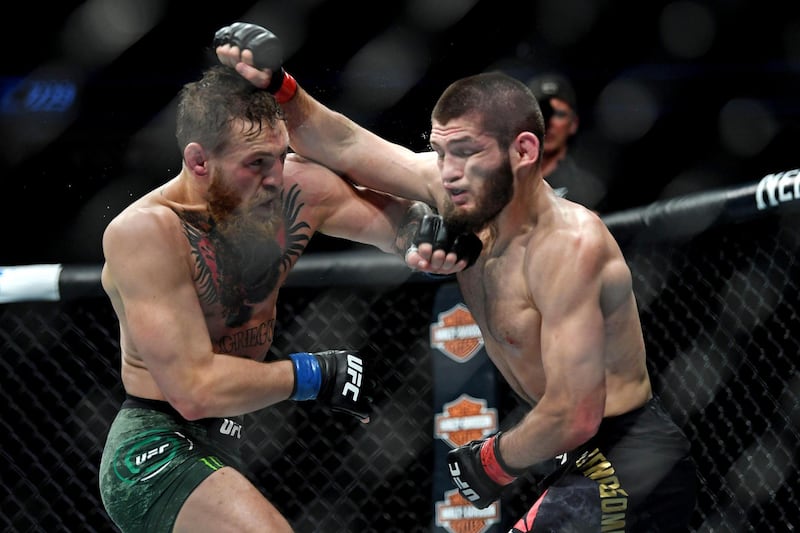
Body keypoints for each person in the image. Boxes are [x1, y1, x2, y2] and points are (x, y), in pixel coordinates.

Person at [216, 23, 698, 532]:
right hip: (572, 460)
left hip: (629, 457)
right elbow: (342, 142)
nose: (446, 171)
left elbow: (575, 413)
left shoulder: (569, 246)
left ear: (524, 151)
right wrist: (280, 88)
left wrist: (490, 461)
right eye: (440, 151)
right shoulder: (456, 195)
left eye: (466, 151)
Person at [97, 61, 477, 533]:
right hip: (156, 447)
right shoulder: (147, 233)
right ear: (199, 162)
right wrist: (316, 372)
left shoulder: (296, 187)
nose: (274, 177)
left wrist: (432, 237)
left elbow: (403, 224)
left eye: (278, 156)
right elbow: (195, 391)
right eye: (255, 163)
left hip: (229, 440)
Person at [527, 71, 607, 211]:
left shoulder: (588, 190)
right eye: (542, 113)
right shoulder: (505, 182)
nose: (550, 122)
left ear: (573, 124)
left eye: (559, 114)